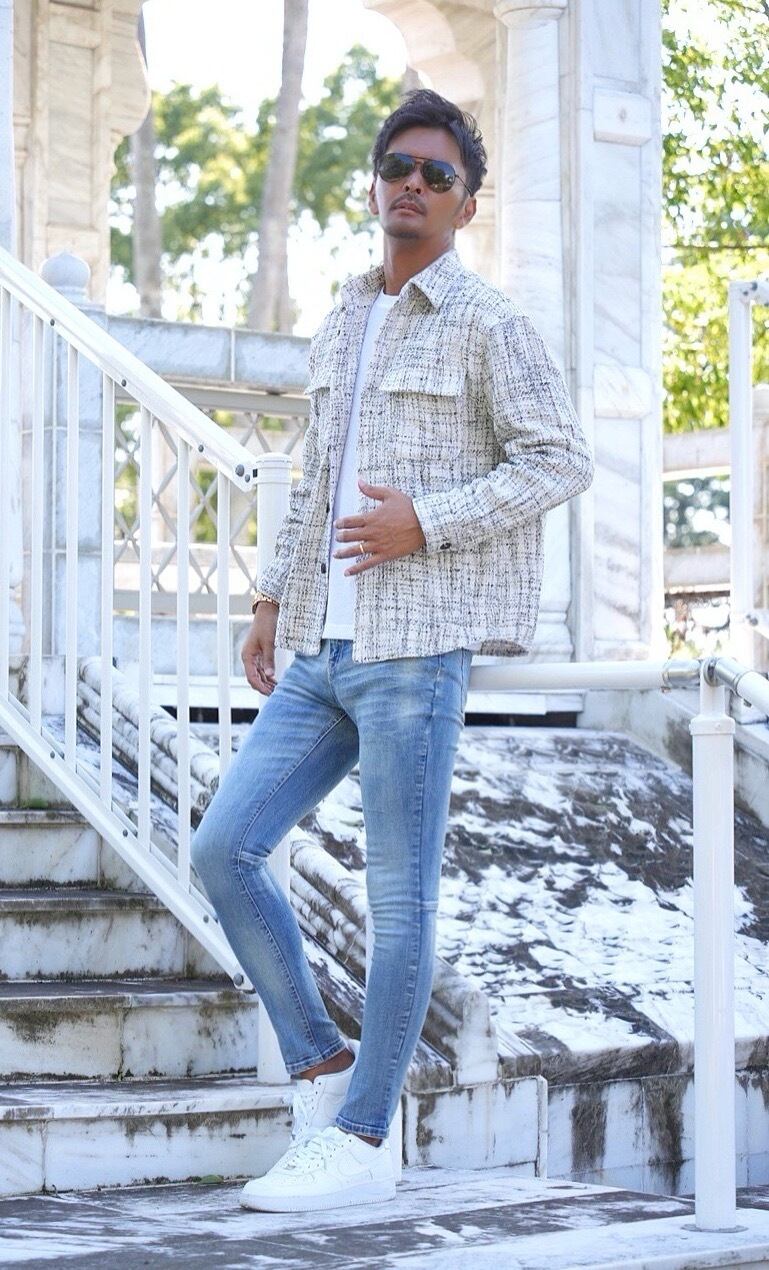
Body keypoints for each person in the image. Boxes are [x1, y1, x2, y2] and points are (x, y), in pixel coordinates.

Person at [190, 87, 594, 1214]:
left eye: (436, 174)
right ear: (374, 187)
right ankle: (323, 1069)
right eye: (397, 168)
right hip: (321, 647)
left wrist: (430, 518)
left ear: (466, 202)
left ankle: (367, 1135)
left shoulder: (489, 323)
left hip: (416, 649)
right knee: (224, 848)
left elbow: (559, 459)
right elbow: (315, 478)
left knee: (400, 901)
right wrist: (270, 598)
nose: (411, 185)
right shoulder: (341, 317)